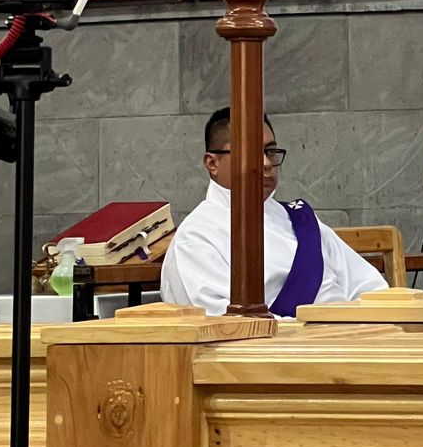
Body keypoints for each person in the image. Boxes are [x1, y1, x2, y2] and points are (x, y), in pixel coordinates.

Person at [160, 108, 386, 315]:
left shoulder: (301, 220)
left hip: (350, 343)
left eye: (270, 152)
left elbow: (370, 288)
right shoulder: (195, 238)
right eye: (250, 151)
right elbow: (223, 328)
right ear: (212, 163)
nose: (266, 163)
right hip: (280, 354)